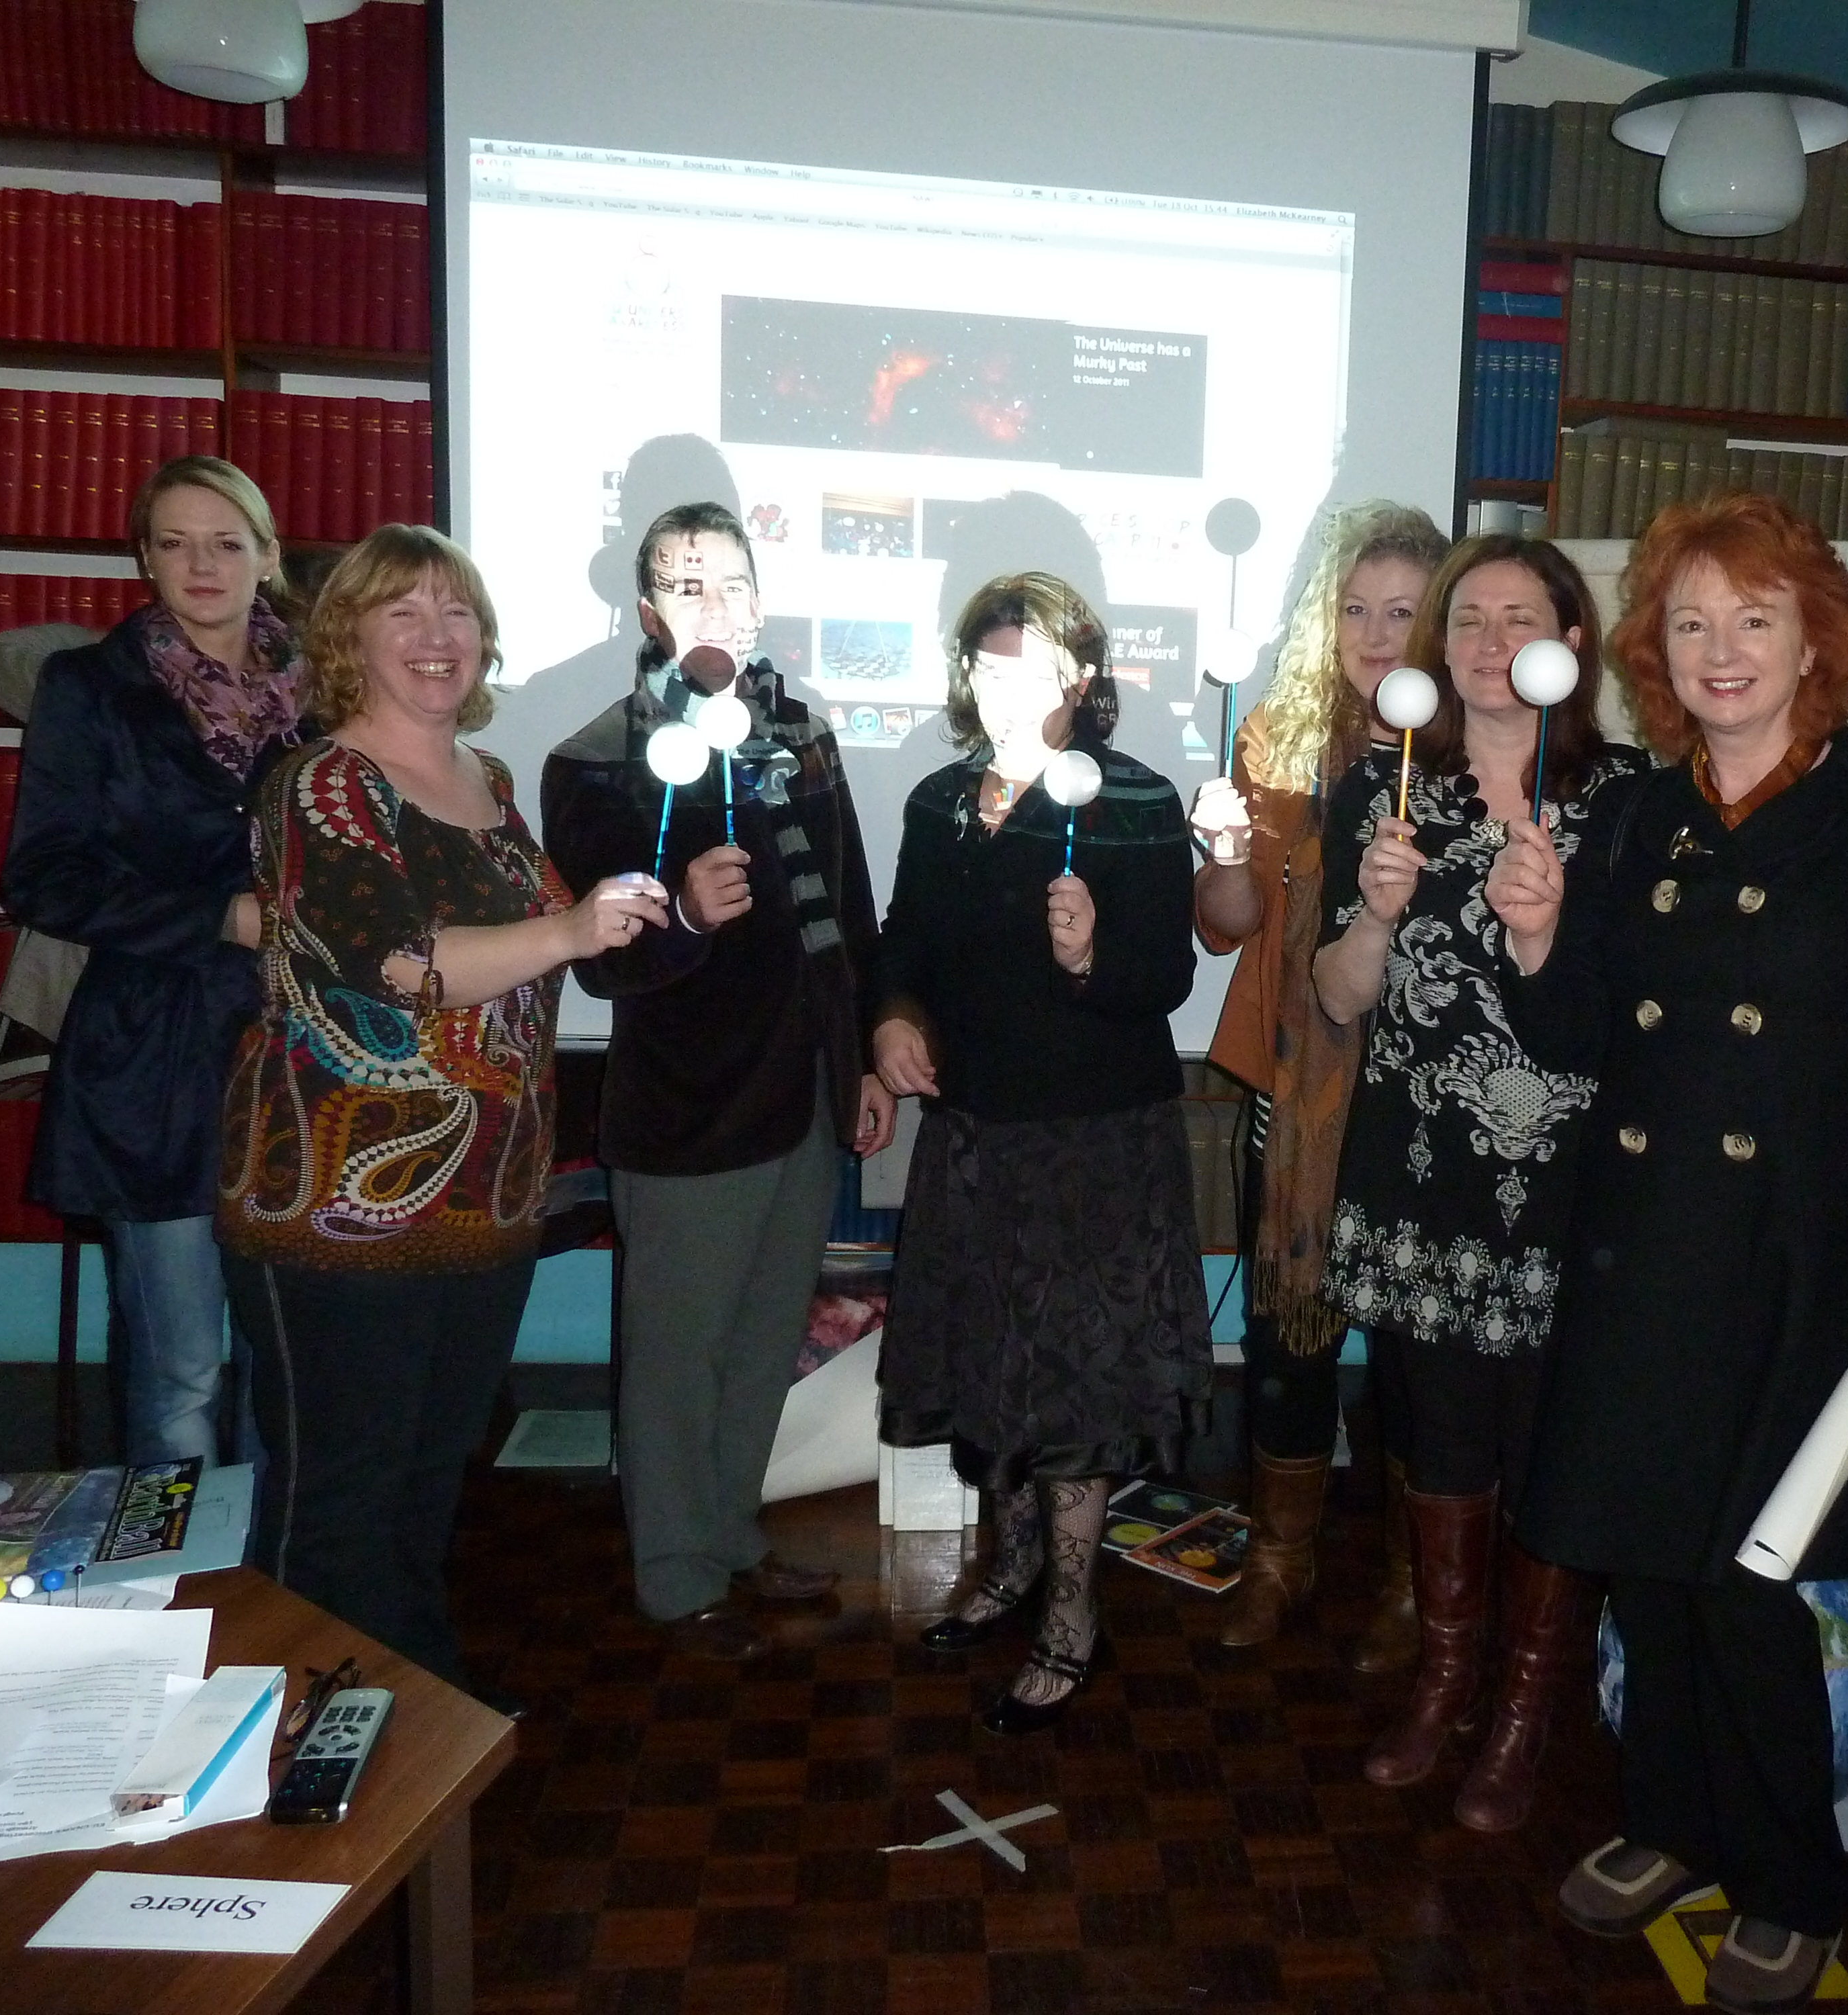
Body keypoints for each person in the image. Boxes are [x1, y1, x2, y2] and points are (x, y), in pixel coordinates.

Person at [1488, 492, 1848, 2011]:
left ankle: (1791, 1883)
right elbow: (1575, 1042)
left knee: (1751, 1590)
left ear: (1813, 642)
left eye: (1754, 619)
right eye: (1692, 621)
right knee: (1647, 1565)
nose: (1722, 649)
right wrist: (1534, 940)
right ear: (1654, 649)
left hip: (1802, 1274)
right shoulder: (1633, 815)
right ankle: (1671, 1821)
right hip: (1642, 1254)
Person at [216, 524, 668, 1685]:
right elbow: (394, 964)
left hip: (483, 1205)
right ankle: (305, 1745)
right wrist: (568, 930)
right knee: (338, 1503)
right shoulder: (322, 785)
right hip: (337, 1214)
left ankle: (405, 1714)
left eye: (455, 609)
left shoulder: (489, 782)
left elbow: (541, 954)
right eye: (403, 610)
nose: (436, 634)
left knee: (425, 1487)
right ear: (347, 636)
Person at [1311, 531, 1645, 1830]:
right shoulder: (1386, 788)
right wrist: (1375, 915)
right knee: (1442, 1442)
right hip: (1422, 1177)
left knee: (1552, 1454)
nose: (1490, 644)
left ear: (1573, 640)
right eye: (1466, 621)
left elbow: (1636, 1021)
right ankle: (1446, 1681)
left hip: (1573, 1193)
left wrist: (1543, 928)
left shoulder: (1634, 802)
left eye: (1520, 619)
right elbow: (1339, 1001)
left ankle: (1524, 1707)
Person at [542, 501, 887, 1664]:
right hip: (689, 1110)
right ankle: (677, 1578)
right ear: (650, 613)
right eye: (688, 588)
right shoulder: (598, 757)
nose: (716, 607)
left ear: (760, 601)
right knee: (678, 1359)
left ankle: (731, 1534)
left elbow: (850, 914)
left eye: (733, 584)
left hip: (804, 1099)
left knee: (759, 1345)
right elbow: (605, 966)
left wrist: (865, 1056)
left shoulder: (805, 732)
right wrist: (684, 914)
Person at [874, 572, 1213, 1736]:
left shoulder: (1138, 801)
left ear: (1085, 678)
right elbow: (905, 944)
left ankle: (1073, 1612)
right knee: (993, 1358)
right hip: (977, 1133)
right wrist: (892, 1020)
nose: (1006, 685)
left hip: (1096, 1141)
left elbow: (1165, 977)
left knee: (1076, 1382)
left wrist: (1089, 957)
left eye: (1037, 666)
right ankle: (1012, 1567)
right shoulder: (938, 802)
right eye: (988, 663)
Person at [1, 456, 306, 1467]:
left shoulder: (331, 691)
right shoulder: (90, 687)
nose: (202, 566)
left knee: (286, 1367)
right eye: (175, 544)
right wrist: (218, 918)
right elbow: (41, 880)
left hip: (300, 1056)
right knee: (181, 1372)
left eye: (226, 543)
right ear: (145, 558)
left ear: (267, 555)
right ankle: (171, 1566)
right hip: (154, 1055)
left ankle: (266, 1564)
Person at [1191, 498, 1449, 1658]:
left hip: (1427, 1095)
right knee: (1287, 1337)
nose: (1377, 635)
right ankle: (1281, 1561)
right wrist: (1223, 853)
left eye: (1404, 611)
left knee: (1412, 1348)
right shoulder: (1279, 742)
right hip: (1295, 1090)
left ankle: (1412, 1583)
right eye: (1355, 610)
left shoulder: (1473, 748)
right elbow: (1227, 923)